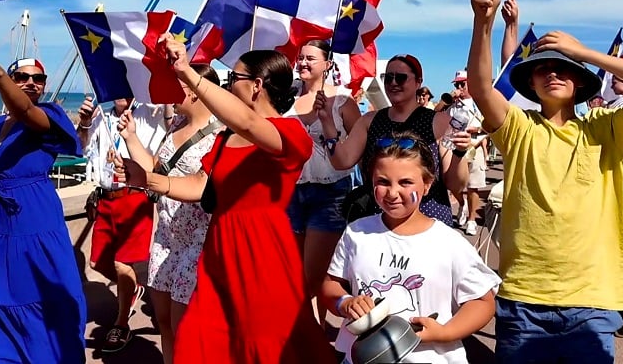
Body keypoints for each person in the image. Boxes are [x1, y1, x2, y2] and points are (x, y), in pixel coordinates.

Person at [468, 0, 623, 363]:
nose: (553, 72)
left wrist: (584, 52)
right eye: (544, 67)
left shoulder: (607, 126)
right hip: (523, 299)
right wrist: (484, 21)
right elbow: (481, 88)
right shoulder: (519, 127)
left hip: (593, 301)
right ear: (530, 82)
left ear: (581, 81)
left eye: (564, 67)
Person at [116, 39, 336, 364]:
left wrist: (188, 74)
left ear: (257, 86)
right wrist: (145, 179)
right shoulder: (223, 139)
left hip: (263, 254)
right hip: (219, 251)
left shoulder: (291, 133)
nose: (229, 85)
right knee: (199, 340)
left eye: (234, 79)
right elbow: (198, 185)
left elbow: (248, 123)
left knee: (265, 345)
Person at [0, 54, 86, 364]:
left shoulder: (49, 115)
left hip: (35, 223)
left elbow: (24, 111)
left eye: (38, 79)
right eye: (22, 77)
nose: (31, 83)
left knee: (44, 304)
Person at [321, 131, 500, 363]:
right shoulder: (356, 232)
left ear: (427, 185)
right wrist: (344, 302)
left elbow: (482, 302)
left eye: (405, 182)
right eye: (383, 182)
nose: (393, 193)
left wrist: (445, 333)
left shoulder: (448, 242)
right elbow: (330, 286)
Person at [117, 64, 221, 364]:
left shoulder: (218, 134)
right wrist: (131, 137)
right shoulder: (176, 123)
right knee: (164, 320)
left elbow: (200, 185)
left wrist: (148, 180)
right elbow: (157, 168)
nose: (166, 94)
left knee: (184, 325)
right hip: (166, 238)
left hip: (197, 242)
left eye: (176, 86)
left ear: (195, 89)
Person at [318, 54, 469, 226]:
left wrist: (459, 153)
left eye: (401, 77)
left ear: (418, 82)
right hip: (379, 222)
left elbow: (455, 185)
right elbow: (342, 161)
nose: (393, 83)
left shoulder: (438, 122)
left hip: (428, 223)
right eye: (388, 78)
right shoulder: (370, 120)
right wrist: (327, 122)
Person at [77, 95, 166, 354]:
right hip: (106, 199)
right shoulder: (100, 116)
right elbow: (82, 148)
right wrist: (83, 124)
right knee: (98, 262)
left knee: (122, 263)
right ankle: (134, 288)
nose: (121, 94)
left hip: (134, 197)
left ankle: (122, 321)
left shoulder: (150, 113)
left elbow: (169, 122)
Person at [286, 40, 361, 327]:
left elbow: (359, 146)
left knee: (313, 277)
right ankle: (307, 337)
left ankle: (310, 340)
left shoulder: (344, 102)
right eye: (300, 58)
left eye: (310, 58)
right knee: (293, 274)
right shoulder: (287, 101)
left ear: (328, 64)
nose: (303, 63)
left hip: (330, 195)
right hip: (291, 193)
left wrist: (328, 123)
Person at [446, 70, 488, 236]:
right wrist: (448, 101)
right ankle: (461, 203)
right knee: (452, 183)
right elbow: (439, 118)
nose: (459, 87)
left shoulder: (480, 102)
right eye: (457, 84)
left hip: (474, 147)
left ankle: (471, 219)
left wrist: (477, 129)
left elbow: (492, 125)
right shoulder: (453, 104)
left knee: (473, 186)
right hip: (456, 148)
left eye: (462, 84)